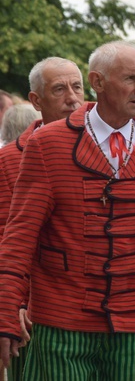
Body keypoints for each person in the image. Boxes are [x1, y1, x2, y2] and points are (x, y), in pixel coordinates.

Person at [0, 42, 135, 380]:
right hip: (61, 323)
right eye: (130, 78)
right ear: (98, 81)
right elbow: (19, 237)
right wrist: (6, 313)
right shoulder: (47, 143)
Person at [0, 57, 85, 381]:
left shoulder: (105, 150)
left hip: (99, 306)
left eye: (77, 87)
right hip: (36, 312)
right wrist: (14, 302)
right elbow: (7, 237)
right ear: (36, 100)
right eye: (59, 89)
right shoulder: (10, 160)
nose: (73, 98)